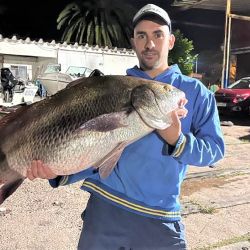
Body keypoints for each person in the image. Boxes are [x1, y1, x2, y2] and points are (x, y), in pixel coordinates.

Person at [27, 4, 225, 249]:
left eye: (157, 35)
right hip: (105, 210)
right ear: (133, 42)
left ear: (171, 41)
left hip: (160, 217)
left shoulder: (196, 94)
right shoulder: (113, 88)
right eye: (141, 35)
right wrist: (58, 171)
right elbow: (94, 146)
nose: (149, 44)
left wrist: (179, 141)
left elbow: (215, 150)